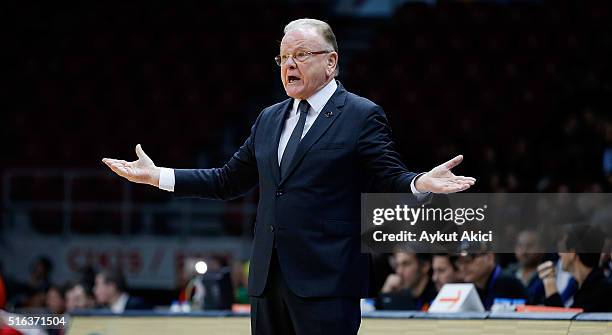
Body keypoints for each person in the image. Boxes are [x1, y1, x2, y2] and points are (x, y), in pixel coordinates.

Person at [102, 18, 475, 334]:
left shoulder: (361, 114)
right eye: (283, 57)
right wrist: (158, 177)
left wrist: (419, 183)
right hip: (267, 282)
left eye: (300, 55)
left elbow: (389, 174)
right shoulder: (269, 118)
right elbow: (226, 180)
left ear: (331, 62)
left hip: (327, 281)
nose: (288, 65)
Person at [537, 224, 612, 312]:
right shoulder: (580, 286)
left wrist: (550, 285)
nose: (559, 254)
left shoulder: (600, 292)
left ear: (572, 253)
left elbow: (563, 324)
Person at [456, 252, 527, 310]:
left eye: (468, 259)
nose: (463, 267)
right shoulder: (465, 288)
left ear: (489, 257)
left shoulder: (509, 284)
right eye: (459, 261)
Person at [504, 229, 546, 304]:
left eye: (529, 246)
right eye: (520, 245)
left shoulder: (548, 275)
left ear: (542, 249)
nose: (524, 251)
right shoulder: (507, 274)